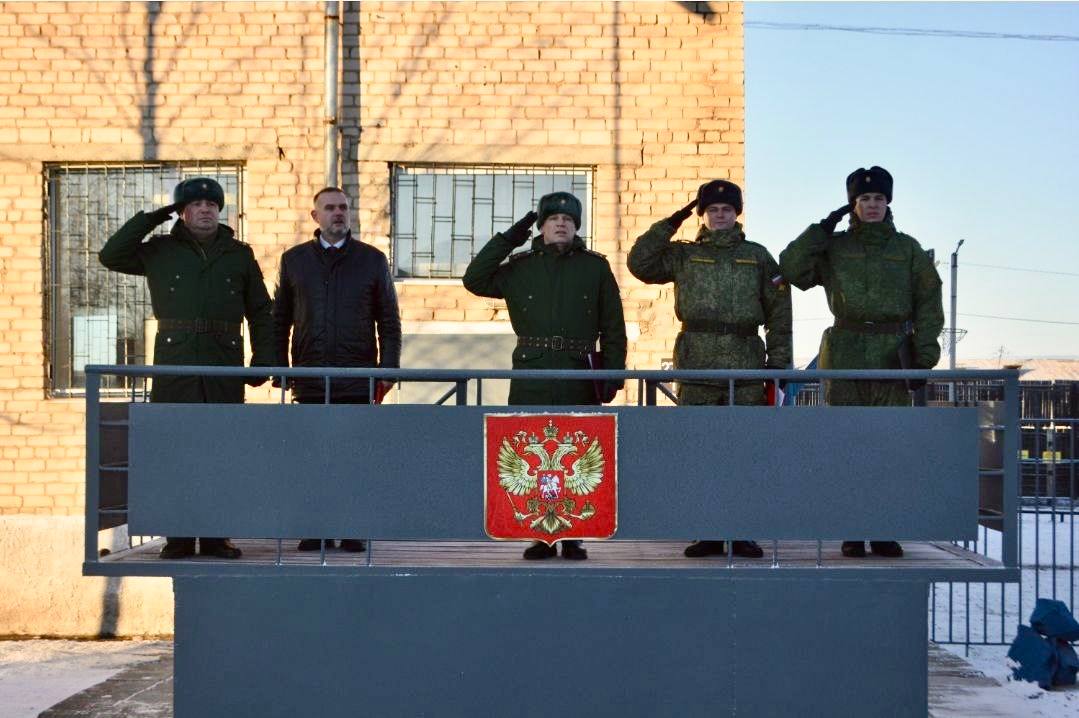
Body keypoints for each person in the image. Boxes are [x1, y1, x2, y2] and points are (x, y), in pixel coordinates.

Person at [99, 177, 274, 560]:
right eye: (196, 204)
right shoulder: (160, 251)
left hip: (223, 364)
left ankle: (214, 537)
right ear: (182, 212)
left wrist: (265, 359)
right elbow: (110, 255)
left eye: (212, 204)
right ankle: (177, 537)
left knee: (220, 452)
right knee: (175, 450)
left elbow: (261, 311)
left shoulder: (238, 254)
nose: (206, 209)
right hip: (175, 364)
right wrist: (155, 216)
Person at [779, 166, 944, 558]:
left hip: (892, 353)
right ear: (853, 205)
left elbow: (929, 303)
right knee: (847, 443)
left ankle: (885, 529)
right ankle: (851, 529)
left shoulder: (907, 250)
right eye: (864, 199)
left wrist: (923, 354)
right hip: (846, 349)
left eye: (879, 199)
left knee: (888, 444)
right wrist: (821, 228)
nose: (872, 205)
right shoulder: (835, 247)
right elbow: (791, 267)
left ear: (888, 203)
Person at [628, 179, 791, 559]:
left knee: (743, 451)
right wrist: (672, 221)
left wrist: (778, 362)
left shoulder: (757, 256)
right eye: (713, 209)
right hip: (697, 364)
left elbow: (780, 314)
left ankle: (741, 532)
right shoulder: (684, 256)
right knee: (699, 450)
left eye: (727, 209)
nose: (720, 215)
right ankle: (706, 531)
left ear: (737, 213)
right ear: (702, 214)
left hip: (746, 365)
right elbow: (640, 263)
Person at [463, 192, 627, 561]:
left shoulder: (595, 267)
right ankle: (541, 534)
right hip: (532, 370)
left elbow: (613, 326)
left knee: (578, 451)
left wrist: (613, 374)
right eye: (552, 218)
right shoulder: (520, 265)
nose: (561, 224)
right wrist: (511, 236)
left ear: (576, 226)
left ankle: (573, 535)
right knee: (534, 450)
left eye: (568, 219)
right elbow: (474, 279)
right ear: (541, 225)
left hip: (577, 371)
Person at [272, 186, 402, 553]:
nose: (338, 213)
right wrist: (280, 368)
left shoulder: (371, 260)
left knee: (353, 458)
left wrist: (387, 372)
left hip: (357, 378)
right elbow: (279, 319)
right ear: (315, 216)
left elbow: (389, 321)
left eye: (344, 207)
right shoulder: (294, 260)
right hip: (309, 378)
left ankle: (352, 529)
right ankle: (317, 528)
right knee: (313, 457)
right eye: (330, 208)